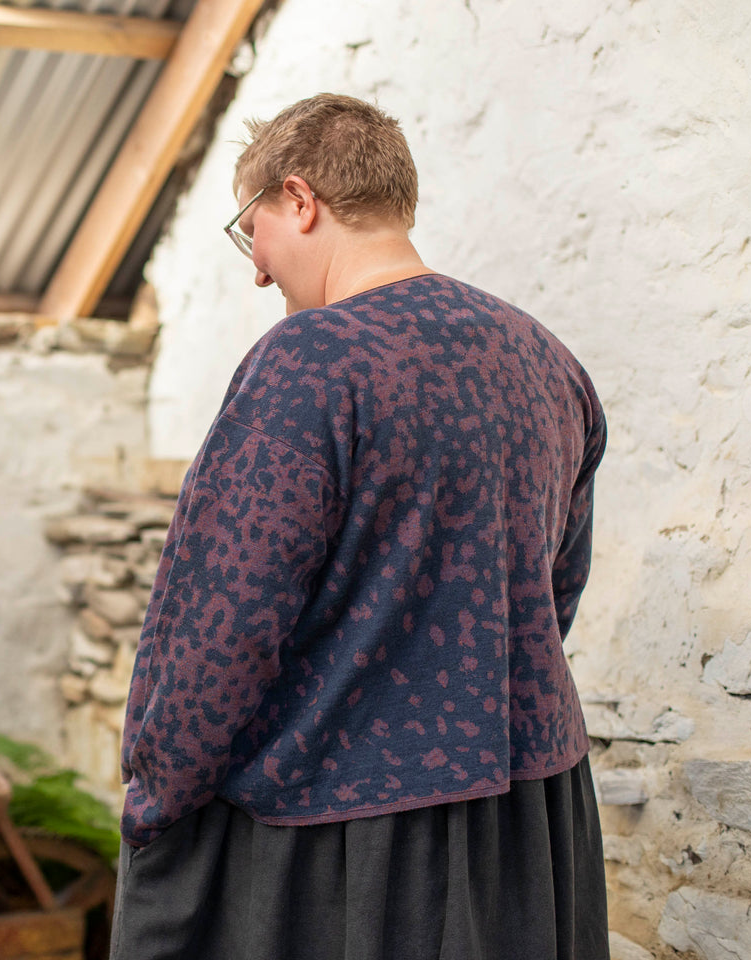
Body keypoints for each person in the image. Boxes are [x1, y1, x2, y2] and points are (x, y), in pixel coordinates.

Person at [111, 93, 609, 960]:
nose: (259, 270)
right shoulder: (547, 359)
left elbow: (220, 626)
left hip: (345, 844)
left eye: (250, 229)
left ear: (299, 201)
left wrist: (156, 796)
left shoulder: (311, 363)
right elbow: (550, 592)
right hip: (532, 825)